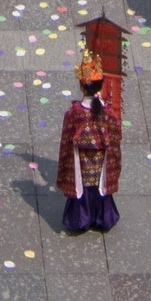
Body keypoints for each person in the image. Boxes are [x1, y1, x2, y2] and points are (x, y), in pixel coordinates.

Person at [55, 46, 121, 234]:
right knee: (99, 188)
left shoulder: (74, 113)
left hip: (80, 162)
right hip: (101, 161)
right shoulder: (108, 113)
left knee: (82, 188)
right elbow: (115, 137)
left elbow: (67, 140)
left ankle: (80, 220)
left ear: (82, 86)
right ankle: (101, 218)